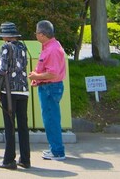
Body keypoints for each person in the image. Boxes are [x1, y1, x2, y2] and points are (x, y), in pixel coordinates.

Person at [0, 22, 30, 170]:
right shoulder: (22, 47)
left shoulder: (5, 47)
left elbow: (3, 70)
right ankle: (25, 159)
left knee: (9, 125)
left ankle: (8, 160)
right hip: (23, 89)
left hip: (9, 91)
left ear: (5, 36)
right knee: (23, 126)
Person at [29, 20, 67, 162]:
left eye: (37, 33)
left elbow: (53, 73)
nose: (36, 36)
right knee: (51, 119)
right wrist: (38, 78)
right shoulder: (51, 46)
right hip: (49, 86)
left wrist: (36, 76)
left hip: (50, 88)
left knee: (51, 120)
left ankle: (57, 151)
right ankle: (54, 149)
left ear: (43, 35)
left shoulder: (52, 50)